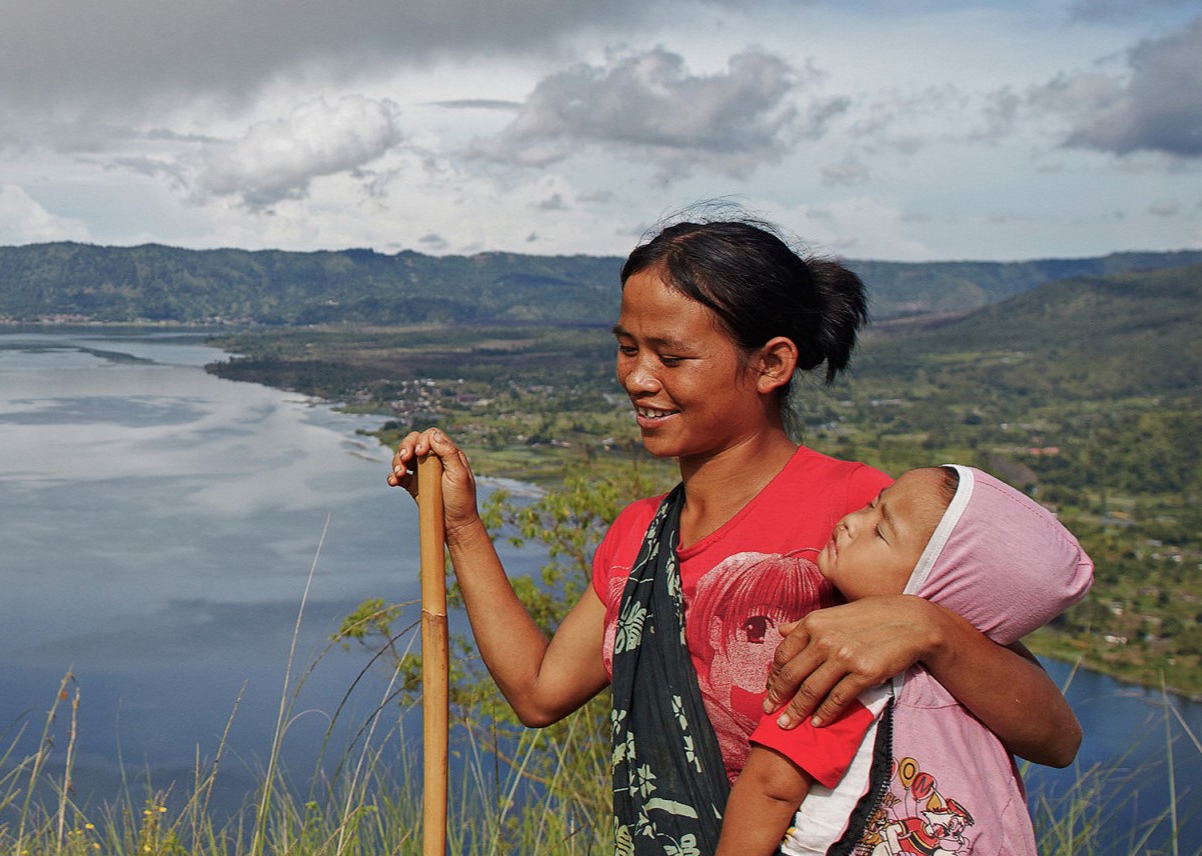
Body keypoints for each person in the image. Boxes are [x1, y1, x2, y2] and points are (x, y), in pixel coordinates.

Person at [387, 216, 1081, 854]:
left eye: (671, 355)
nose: (636, 377)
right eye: (628, 347)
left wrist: (930, 628)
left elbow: (1053, 735)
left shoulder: (861, 517)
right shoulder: (641, 539)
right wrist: (461, 524)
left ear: (772, 365)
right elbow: (538, 693)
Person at [717, 466, 1093, 855]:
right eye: (870, 506)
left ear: (936, 584)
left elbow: (771, 788)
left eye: (880, 531)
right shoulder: (977, 687)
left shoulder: (846, 662)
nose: (851, 522)